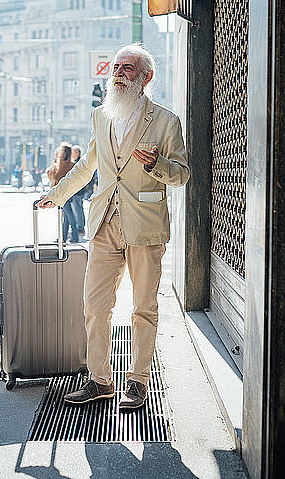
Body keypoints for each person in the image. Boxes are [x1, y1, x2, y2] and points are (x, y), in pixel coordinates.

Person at [37, 43, 190, 410]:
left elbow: (182, 175)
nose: (118, 72)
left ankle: (137, 382)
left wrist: (156, 165)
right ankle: (100, 380)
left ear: (145, 77)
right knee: (94, 304)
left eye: (127, 68)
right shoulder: (100, 116)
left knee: (143, 307)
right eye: (116, 67)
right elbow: (87, 165)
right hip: (105, 222)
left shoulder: (166, 121)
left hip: (145, 226)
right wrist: (56, 196)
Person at [46, 143, 79, 243]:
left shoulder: (63, 165)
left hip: (64, 194)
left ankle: (73, 236)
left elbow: (55, 177)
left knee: (69, 215)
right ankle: (63, 237)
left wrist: (54, 165)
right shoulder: (71, 164)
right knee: (66, 216)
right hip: (68, 193)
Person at [71, 145, 86, 235]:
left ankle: (80, 227)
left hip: (78, 190)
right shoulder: (77, 161)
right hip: (79, 190)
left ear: (77, 153)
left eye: (74, 152)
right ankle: (80, 226)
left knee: (78, 209)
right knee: (79, 208)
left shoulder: (79, 162)